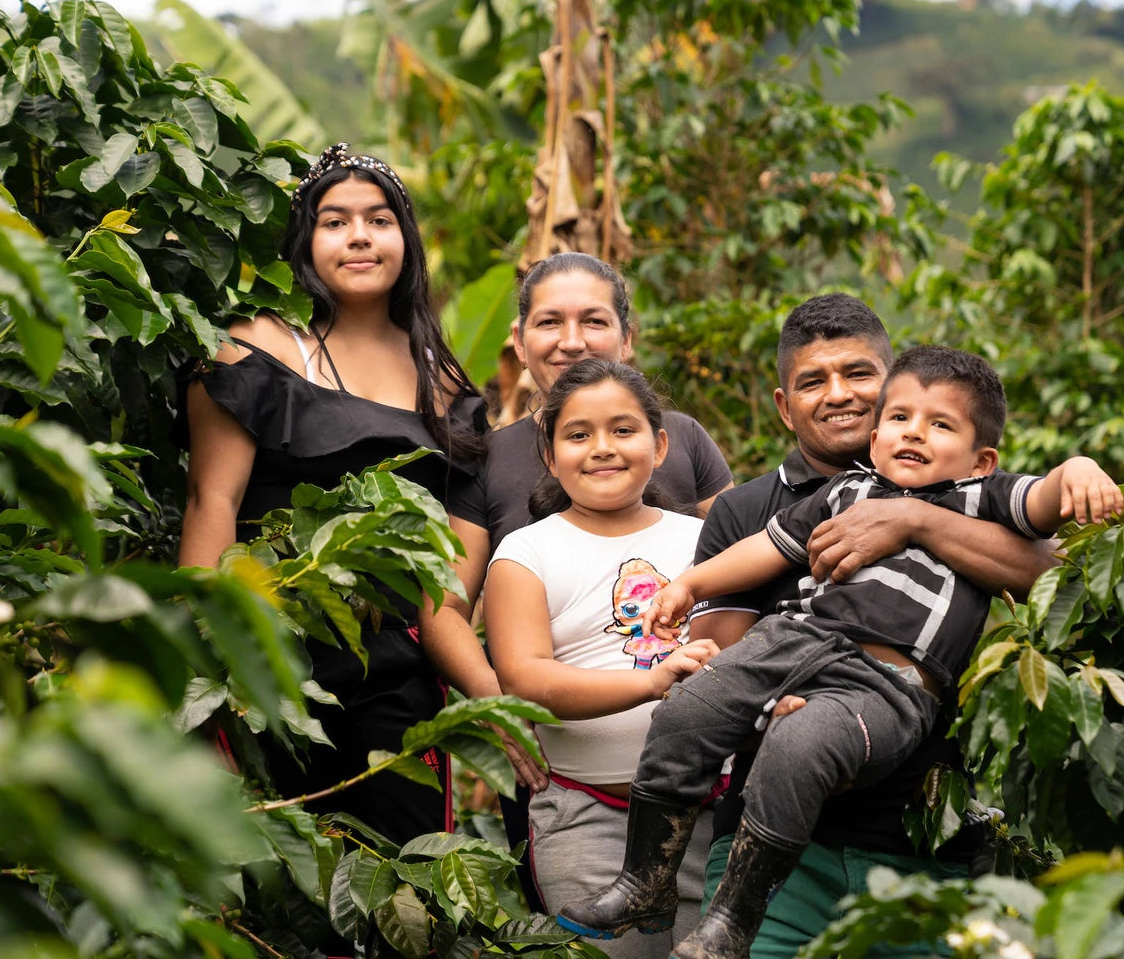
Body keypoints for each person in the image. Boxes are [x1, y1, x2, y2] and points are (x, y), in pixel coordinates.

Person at [558, 344, 1123, 959]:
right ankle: (647, 879)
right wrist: (691, 583)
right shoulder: (844, 491)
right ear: (876, 434)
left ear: (983, 459)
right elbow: (769, 550)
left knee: (799, 746)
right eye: (901, 419)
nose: (915, 434)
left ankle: (733, 919)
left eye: (941, 425)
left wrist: (1079, 468)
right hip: (792, 642)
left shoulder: (979, 499)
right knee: (688, 709)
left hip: (884, 680)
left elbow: (1045, 509)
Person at [685, 295, 1056, 959]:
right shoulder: (743, 513)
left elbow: (1051, 576)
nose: (838, 395)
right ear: (782, 404)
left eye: (858, 374)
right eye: (811, 381)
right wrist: (771, 709)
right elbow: (715, 666)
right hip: (773, 857)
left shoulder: (967, 489)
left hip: (924, 849)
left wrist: (916, 521)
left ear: (889, 378)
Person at [179, 143, 525, 847]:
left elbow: (447, 569)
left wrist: (485, 692)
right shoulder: (254, 350)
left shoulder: (447, 387)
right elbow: (209, 504)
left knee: (405, 880)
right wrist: (199, 668)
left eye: (379, 218)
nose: (360, 236)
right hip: (267, 663)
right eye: (335, 221)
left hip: (396, 678)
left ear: (407, 239)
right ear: (305, 239)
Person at [484, 359, 723, 959]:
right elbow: (525, 678)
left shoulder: (705, 541)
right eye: (578, 434)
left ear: (660, 443)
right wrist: (650, 684)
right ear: (549, 453)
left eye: (623, 429)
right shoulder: (526, 552)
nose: (602, 449)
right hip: (588, 815)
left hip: (706, 813)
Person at [456, 252, 733, 553]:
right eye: (549, 322)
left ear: (627, 339)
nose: (572, 342)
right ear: (519, 343)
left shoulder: (686, 438)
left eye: (594, 321)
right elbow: (452, 601)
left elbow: (735, 564)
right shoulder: (487, 460)